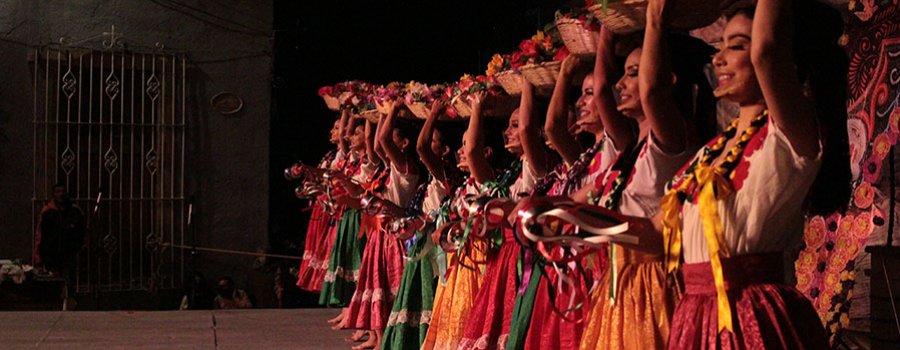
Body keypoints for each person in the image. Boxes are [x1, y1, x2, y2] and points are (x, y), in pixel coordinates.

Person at [37, 183, 86, 277]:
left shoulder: (74, 211)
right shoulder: (47, 211)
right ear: (53, 194)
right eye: (58, 192)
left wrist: (78, 246)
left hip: (69, 255)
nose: (61, 194)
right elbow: (40, 233)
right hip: (51, 255)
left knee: (68, 281)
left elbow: (82, 231)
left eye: (63, 191)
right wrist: (39, 254)